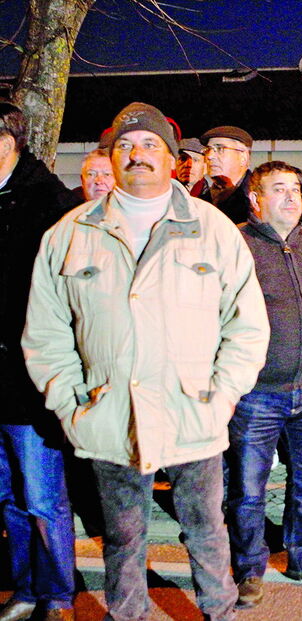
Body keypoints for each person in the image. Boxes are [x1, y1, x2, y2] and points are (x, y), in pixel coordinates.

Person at [22, 102, 270, 621]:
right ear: (110, 158)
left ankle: (219, 611)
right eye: (126, 146)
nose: (138, 155)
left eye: (150, 145)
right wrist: (73, 404)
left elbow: (246, 324)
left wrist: (222, 396)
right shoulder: (68, 234)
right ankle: (126, 614)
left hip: (194, 411)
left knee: (205, 528)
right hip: (108, 415)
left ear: (174, 158)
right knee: (122, 534)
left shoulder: (212, 229)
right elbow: (46, 335)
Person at [227, 161, 302, 609]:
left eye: (296, 189)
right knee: (247, 488)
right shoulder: (236, 245)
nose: (292, 197)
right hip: (257, 392)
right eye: (279, 190)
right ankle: (248, 568)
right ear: (256, 200)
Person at [1, 100, 81, 621]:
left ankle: (56, 593)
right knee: (6, 496)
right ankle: (26, 588)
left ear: (6, 142)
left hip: (28, 380)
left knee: (43, 496)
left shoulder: (46, 202)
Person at [199, 125, 253, 223]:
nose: (210, 156)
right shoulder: (200, 201)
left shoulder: (259, 200)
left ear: (243, 157)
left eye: (220, 149)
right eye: (208, 150)